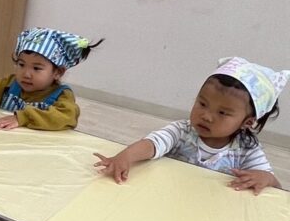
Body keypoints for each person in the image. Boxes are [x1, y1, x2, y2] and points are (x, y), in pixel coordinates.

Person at [94, 56, 286, 194]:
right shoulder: (182, 131)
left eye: (222, 113)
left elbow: (274, 185)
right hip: (168, 196)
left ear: (247, 122)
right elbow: (152, 144)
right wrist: (126, 156)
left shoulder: (246, 149)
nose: (207, 116)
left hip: (210, 210)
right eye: (202, 104)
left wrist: (265, 178)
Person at [0, 27, 101, 130]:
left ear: (58, 72)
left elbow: (67, 117)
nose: (26, 74)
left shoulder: (62, 95)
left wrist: (22, 118)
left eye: (37, 68)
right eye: (21, 65)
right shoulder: (10, 84)